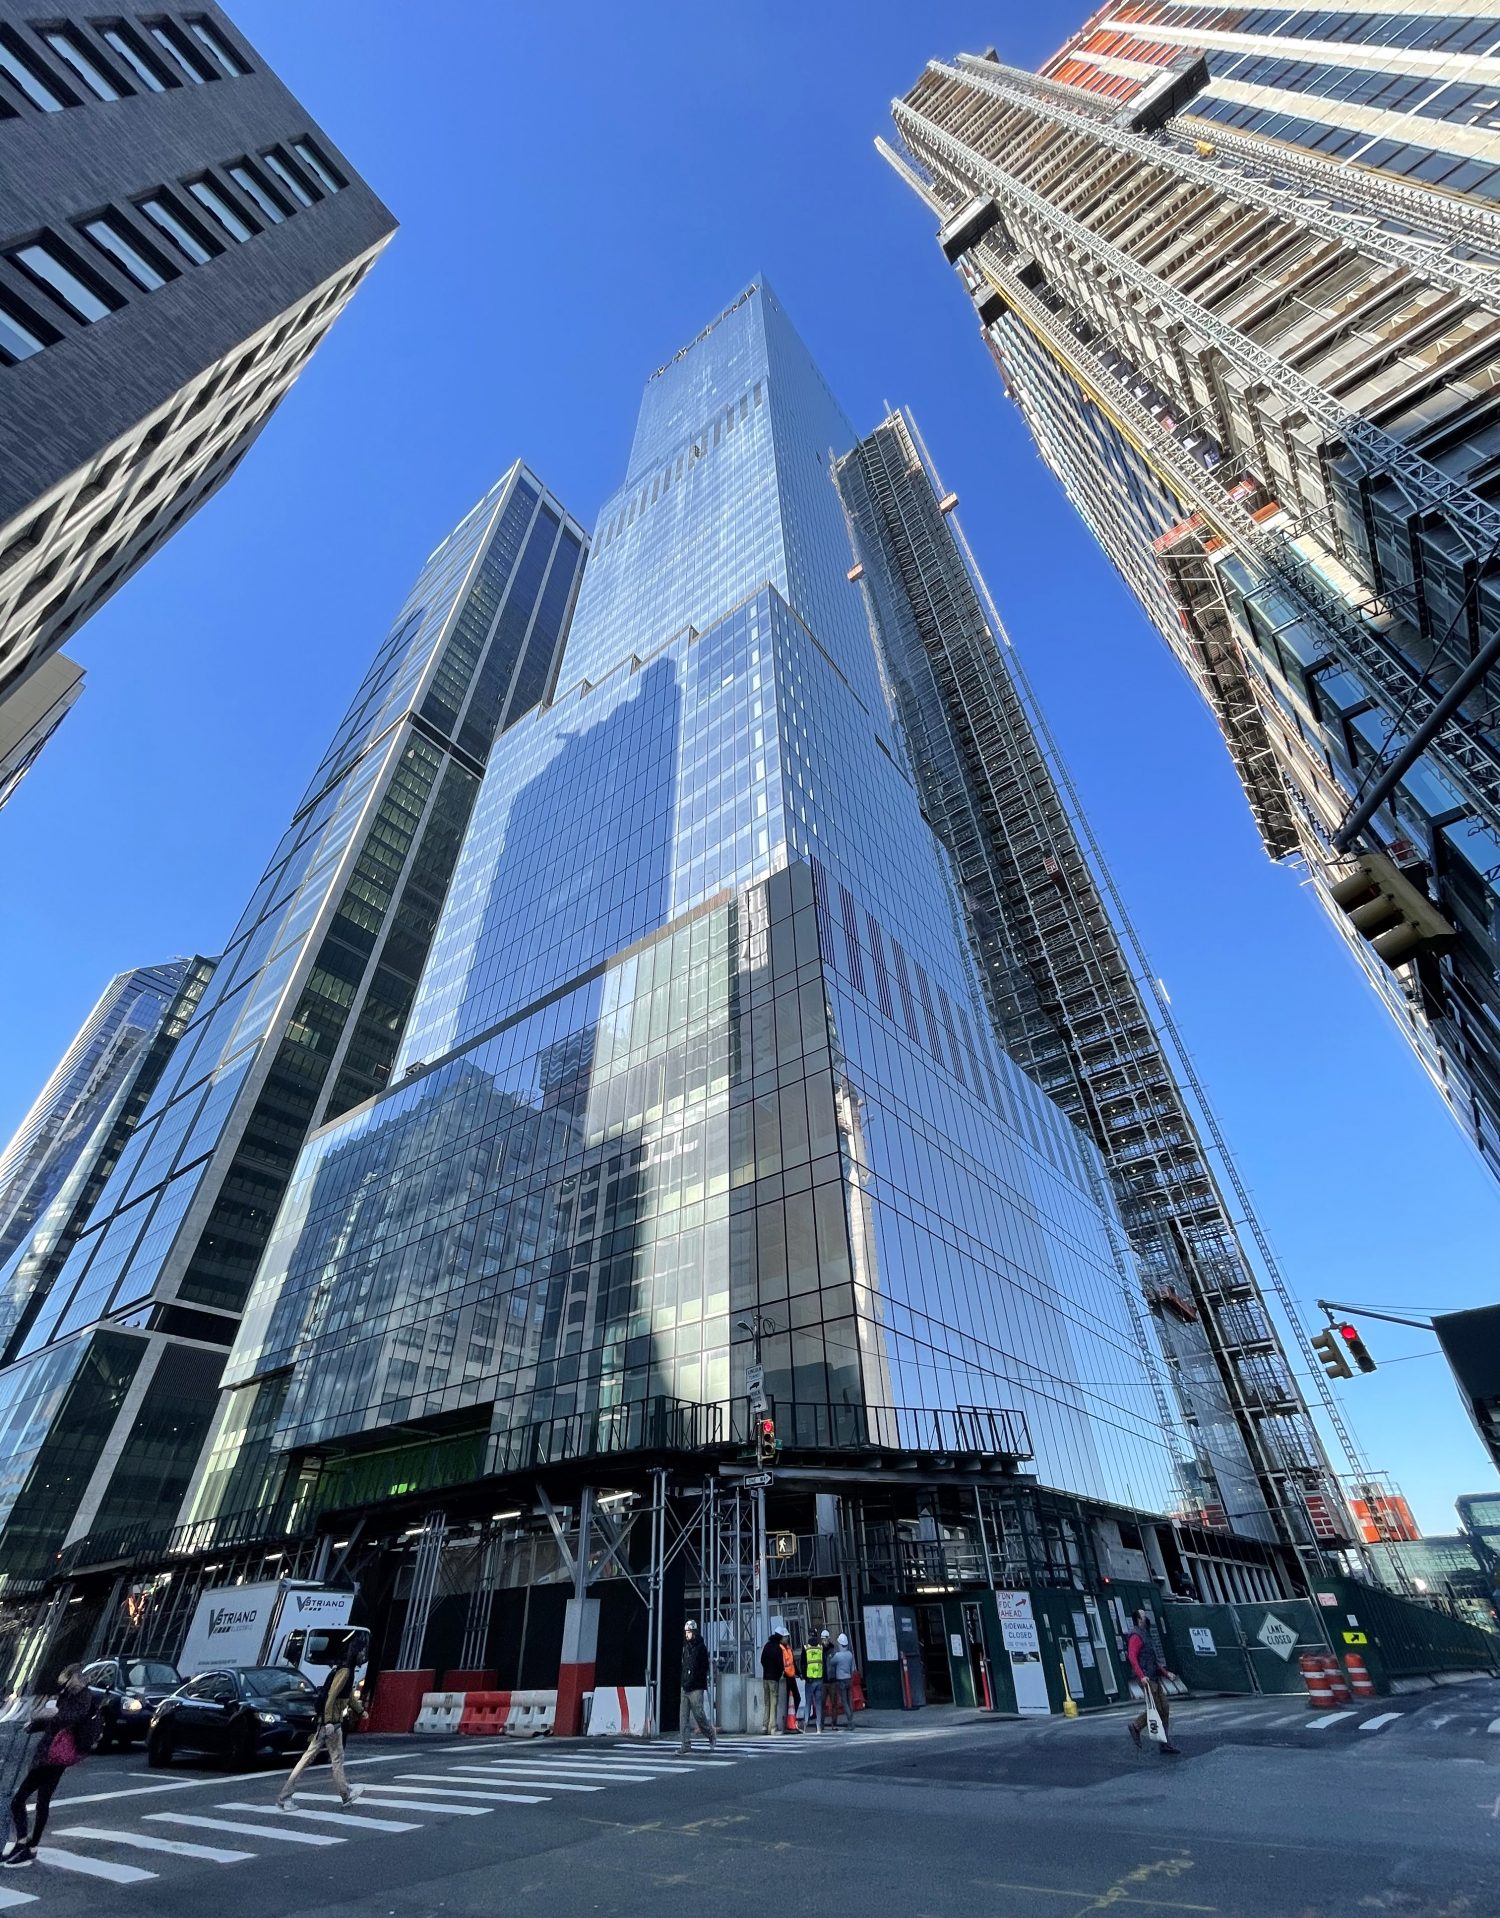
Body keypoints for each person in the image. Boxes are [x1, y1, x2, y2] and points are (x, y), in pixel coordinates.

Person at [3, 1663, 102, 1867]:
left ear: (75, 1677)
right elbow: (57, 1721)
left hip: (55, 1756)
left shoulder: (83, 1697)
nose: (62, 1684)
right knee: (42, 1801)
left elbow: (67, 1719)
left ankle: (24, 1844)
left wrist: (45, 1715)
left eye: (65, 1679)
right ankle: (28, 1847)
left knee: (19, 1800)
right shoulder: (70, 1694)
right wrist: (36, 1724)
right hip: (51, 1753)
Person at [277, 1637, 366, 1809]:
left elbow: (347, 1696)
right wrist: (328, 1721)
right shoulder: (345, 1672)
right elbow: (332, 1696)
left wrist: (361, 1711)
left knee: (315, 1758)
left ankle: (344, 1793)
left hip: (329, 1722)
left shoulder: (345, 1670)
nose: (363, 1655)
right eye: (362, 1651)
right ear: (356, 1652)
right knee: (332, 1759)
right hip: (332, 1723)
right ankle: (345, 1794)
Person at [1126, 1608, 1181, 1755]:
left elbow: (1152, 1660)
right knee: (1157, 1708)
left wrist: (1165, 1673)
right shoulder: (1136, 1636)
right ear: (1139, 1619)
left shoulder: (1144, 1635)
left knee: (1164, 1708)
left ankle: (1164, 1742)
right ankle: (1136, 1726)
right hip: (1147, 1677)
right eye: (1144, 1616)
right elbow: (1132, 1656)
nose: (1146, 1618)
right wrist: (1141, 1676)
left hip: (1152, 1676)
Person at [678, 1620, 715, 1754]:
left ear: (694, 1632)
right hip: (685, 1686)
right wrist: (684, 1680)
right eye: (686, 1632)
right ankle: (685, 1744)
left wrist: (694, 1679)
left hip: (696, 1686)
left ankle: (710, 1734)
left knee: (699, 1714)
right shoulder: (686, 1648)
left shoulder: (701, 1648)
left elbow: (703, 1668)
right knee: (683, 1717)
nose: (687, 1635)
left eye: (689, 1632)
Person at [828, 1633, 856, 1729]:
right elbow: (852, 1668)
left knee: (844, 1701)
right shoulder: (850, 1654)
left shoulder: (838, 1656)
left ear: (840, 1644)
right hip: (848, 1678)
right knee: (849, 1700)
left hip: (841, 1680)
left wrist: (831, 1656)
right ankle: (851, 1719)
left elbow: (831, 1662)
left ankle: (850, 1720)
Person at [760, 1631, 785, 1735]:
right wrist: (779, 1674)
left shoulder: (767, 1646)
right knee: (773, 1703)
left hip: (765, 1677)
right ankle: (773, 1727)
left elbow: (762, 1660)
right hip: (774, 1678)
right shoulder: (778, 1648)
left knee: (767, 1703)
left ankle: (764, 1726)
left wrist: (766, 1669)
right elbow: (780, 1664)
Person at [802, 1631, 826, 1733]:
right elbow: (824, 1663)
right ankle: (818, 1726)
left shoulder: (806, 1648)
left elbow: (803, 1664)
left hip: (809, 1680)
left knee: (808, 1703)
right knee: (819, 1704)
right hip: (819, 1679)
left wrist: (805, 1677)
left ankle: (805, 1725)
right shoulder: (820, 1648)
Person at [780, 1636, 801, 1732]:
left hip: (791, 1676)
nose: (787, 1639)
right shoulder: (780, 1648)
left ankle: (791, 1720)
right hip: (785, 1677)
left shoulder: (788, 1648)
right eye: (785, 1637)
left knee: (797, 1698)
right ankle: (788, 1722)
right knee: (787, 1700)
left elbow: (792, 1663)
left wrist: (798, 1673)